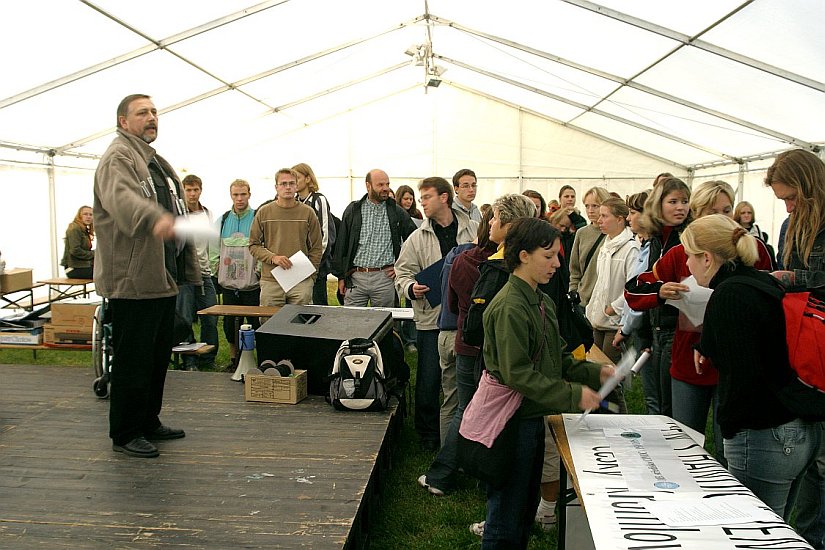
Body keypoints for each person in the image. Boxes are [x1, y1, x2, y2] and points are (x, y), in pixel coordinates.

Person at [479, 217, 613, 548]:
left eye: (557, 256)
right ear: (523, 255)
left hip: (531, 418)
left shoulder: (541, 300)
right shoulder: (511, 306)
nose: (556, 264)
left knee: (523, 511)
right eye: (548, 255)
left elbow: (556, 358)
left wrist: (596, 373)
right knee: (506, 517)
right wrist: (573, 395)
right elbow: (518, 373)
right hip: (510, 423)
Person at [686, 214, 822, 521]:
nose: (687, 266)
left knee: (754, 532)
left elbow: (744, 373)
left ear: (706, 258)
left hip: (764, 435)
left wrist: (731, 429)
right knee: (776, 531)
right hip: (797, 429)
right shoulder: (760, 281)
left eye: (689, 256)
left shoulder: (730, 294)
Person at [94, 93, 199, 458]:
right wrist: (157, 220)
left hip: (161, 278)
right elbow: (123, 201)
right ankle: (125, 431)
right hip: (132, 281)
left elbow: (177, 208)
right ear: (123, 121)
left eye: (154, 111)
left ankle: (148, 420)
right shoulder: (118, 158)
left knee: (155, 358)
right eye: (142, 113)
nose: (152, 117)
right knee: (133, 361)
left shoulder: (156, 162)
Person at [765, 149, 825, 549]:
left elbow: (813, 277)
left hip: (819, 345)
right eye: (783, 199)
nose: (787, 206)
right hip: (801, 345)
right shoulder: (790, 225)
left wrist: (789, 277)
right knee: (808, 453)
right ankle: (801, 534)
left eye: (791, 197)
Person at [395, 177, 477, 451]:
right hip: (431, 319)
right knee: (429, 378)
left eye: (427, 197)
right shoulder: (416, 237)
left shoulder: (472, 230)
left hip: (467, 317)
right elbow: (402, 272)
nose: (422, 203)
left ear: (444, 197)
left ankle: (467, 431)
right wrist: (410, 288)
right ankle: (428, 434)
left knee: (466, 377)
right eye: (420, 199)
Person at [624, 177, 691, 417]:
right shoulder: (656, 241)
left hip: (680, 330)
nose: (680, 207)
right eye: (673, 201)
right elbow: (637, 287)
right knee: (663, 402)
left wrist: (657, 291)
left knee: (674, 407)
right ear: (658, 205)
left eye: (684, 201)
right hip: (658, 328)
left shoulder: (686, 238)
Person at [332, 169, 417, 307]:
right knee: (351, 324)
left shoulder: (397, 211)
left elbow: (414, 240)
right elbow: (342, 243)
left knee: (384, 325)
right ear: (368, 185)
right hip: (355, 277)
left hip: (385, 278)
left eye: (387, 184)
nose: (385, 188)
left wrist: (400, 268)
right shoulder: (354, 210)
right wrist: (341, 276)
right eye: (380, 185)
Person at [249, 168, 323, 306]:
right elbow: (253, 245)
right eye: (283, 184)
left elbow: (316, 248)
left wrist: (311, 276)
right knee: (269, 324)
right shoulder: (264, 212)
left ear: (296, 186)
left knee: (300, 323)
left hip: (301, 281)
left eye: (291, 183)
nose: (288, 187)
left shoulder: (308, 213)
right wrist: (273, 258)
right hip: (271, 280)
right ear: (276, 187)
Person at [211, 179, 261, 370]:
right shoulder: (223, 220)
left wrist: (258, 272)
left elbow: (264, 245)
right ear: (230, 196)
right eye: (235, 195)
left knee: (256, 322)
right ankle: (234, 360)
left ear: (249, 194)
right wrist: (216, 269)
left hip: (252, 285)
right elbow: (213, 247)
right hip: (229, 285)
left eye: (243, 194)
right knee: (230, 323)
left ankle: (256, 359)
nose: (239, 199)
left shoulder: (257, 217)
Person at [585, 197, 639, 365]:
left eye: (604, 216)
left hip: (615, 322)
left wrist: (613, 308)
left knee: (610, 371)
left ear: (620, 219)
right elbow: (600, 283)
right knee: (596, 367)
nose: (599, 220)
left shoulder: (631, 249)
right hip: (598, 319)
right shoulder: (606, 246)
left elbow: (634, 286)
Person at [175, 174, 218, 370]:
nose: (192, 194)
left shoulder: (207, 213)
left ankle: (208, 358)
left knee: (210, 316)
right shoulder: (179, 214)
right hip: (184, 275)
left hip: (205, 272)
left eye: (195, 190)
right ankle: (189, 360)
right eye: (188, 190)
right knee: (184, 319)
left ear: (201, 190)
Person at [293, 163, 335, 305]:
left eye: (297, 178)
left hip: (316, 265)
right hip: (296, 264)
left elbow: (326, 234)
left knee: (317, 306)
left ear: (308, 179)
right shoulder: (293, 202)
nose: (294, 182)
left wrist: (313, 262)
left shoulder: (318, 200)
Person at [568, 186, 611, 307]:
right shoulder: (581, 233)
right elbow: (574, 269)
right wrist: (574, 291)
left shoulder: (613, 233)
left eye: (595, 206)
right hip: (583, 301)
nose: (590, 210)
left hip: (605, 303)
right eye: (587, 206)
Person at [61, 205, 95, 279]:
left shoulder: (84, 229)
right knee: (106, 273)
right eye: (85, 214)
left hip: (83, 266)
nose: (88, 217)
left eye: (91, 215)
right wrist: (94, 253)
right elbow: (75, 250)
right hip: (73, 268)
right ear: (79, 216)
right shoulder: (74, 228)